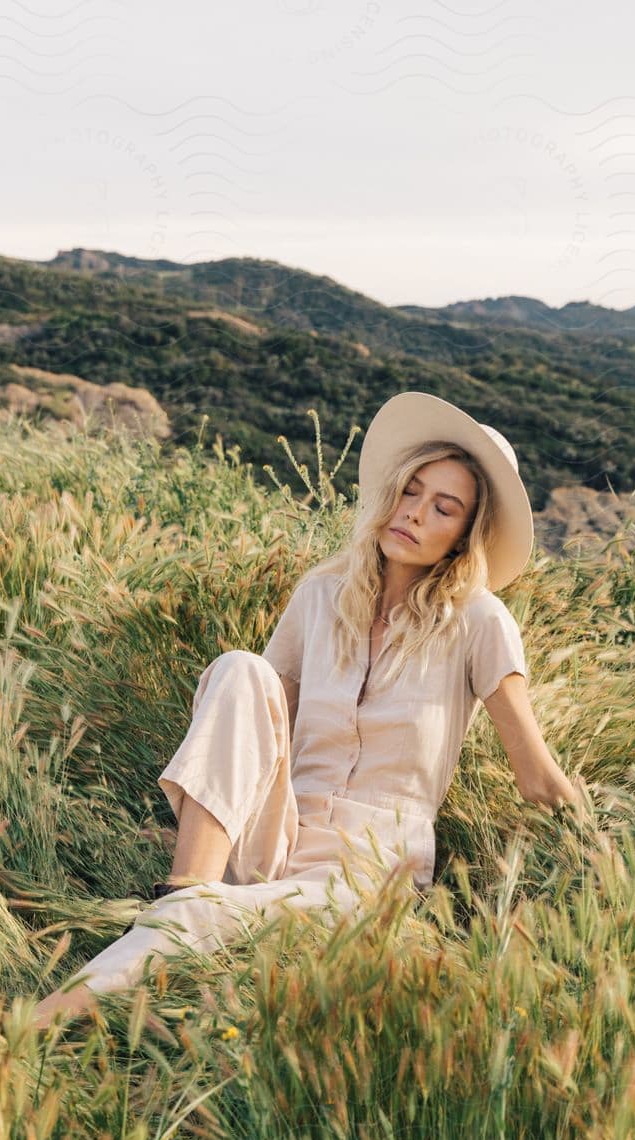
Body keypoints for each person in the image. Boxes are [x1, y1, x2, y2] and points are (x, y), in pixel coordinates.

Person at [31, 391, 581, 1030]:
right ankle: (189, 884)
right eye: (410, 492)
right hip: (283, 824)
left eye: (443, 508)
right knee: (241, 667)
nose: (414, 513)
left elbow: (535, 772)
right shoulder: (324, 592)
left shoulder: (481, 621)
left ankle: (32, 1023)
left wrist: (601, 850)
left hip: (370, 863)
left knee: (200, 918)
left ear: (465, 536)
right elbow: (257, 719)